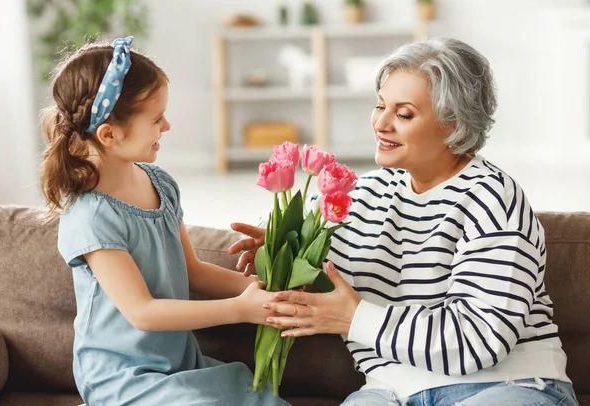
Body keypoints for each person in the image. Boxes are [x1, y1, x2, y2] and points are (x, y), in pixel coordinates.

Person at [228, 37, 579, 406]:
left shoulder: (493, 197)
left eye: (404, 113)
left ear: (454, 123)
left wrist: (356, 319)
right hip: (388, 391)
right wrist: (283, 249)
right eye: (380, 105)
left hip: (506, 385)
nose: (381, 123)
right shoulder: (358, 195)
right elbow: (308, 278)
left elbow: (480, 341)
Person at [38, 37, 289, 406]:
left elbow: (192, 271)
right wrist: (239, 309)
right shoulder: (91, 215)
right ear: (109, 133)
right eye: (156, 119)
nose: (167, 126)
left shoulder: (162, 184)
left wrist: (263, 289)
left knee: (263, 399)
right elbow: (142, 312)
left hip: (179, 365)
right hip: (121, 377)